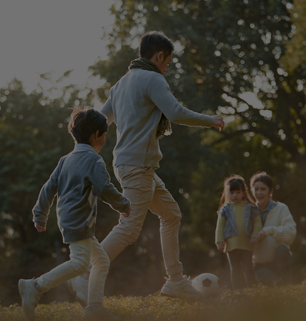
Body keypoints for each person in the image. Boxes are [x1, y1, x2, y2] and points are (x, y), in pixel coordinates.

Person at [66, 31, 225, 301]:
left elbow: (101, 119)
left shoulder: (121, 84)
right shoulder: (153, 78)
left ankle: (175, 281)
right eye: (167, 63)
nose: (166, 69)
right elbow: (175, 113)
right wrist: (210, 119)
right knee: (128, 229)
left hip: (134, 165)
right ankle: (82, 274)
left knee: (171, 215)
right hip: (137, 166)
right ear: (159, 56)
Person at [19, 107, 131, 321]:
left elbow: (47, 188)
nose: (105, 140)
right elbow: (104, 188)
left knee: (101, 260)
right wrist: (124, 205)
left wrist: (39, 215)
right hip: (79, 219)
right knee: (80, 263)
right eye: (105, 135)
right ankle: (35, 286)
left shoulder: (65, 160)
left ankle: (94, 307)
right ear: (95, 135)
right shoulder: (93, 160)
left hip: (70, 219)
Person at [215, 175, 263, 290]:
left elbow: (257, 223)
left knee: (248, 268)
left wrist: (254, 236)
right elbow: (220, 226)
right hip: (232, 245)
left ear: (243, 193)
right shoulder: (225, 210)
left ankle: (252, 290)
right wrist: (219, 241)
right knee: (235, 270)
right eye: (232, 192)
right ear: (227, 194)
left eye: (238, 192)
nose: (235, 195)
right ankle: (238, 292)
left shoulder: (251, 208)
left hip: (247, 244)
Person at [250, 171, 296, 285]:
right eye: (256, 189)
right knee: (276, 284)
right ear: (252, 191)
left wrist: (269, 230)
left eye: (263, 189)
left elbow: (291, 233)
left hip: (280, 261)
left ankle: (288, 287)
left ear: (270, 191)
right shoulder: (248, 212)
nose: (259, 193)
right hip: (260, 265)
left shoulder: (281, 208)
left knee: (282, 250)